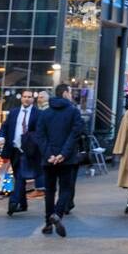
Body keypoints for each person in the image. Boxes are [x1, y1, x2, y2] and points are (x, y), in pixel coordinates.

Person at [37, 84, 84, 237]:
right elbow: (75, 134)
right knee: (66, 188)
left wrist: (49, 154)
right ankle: (57, 214)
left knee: (49, 190)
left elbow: (40, 136)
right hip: (67, 159)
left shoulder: (45, 113)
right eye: (70, 92)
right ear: (65, 93)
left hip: (48, 159)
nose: (71, 95)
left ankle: (48, 224)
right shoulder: (74, 112)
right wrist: (63, 154)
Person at [0, 90, 38, 216]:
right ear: (21, 98)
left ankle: (13, 202)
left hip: (27, 150)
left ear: (33, 99)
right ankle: (23, 204)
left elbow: (40, 131)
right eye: (24, 97)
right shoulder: (14, 112)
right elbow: (5, 126)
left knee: (20, 176)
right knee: (18, 175)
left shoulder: (38, 114)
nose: (26, 99)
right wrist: (1, 137)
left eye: (29, 97)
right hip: (14, 149)